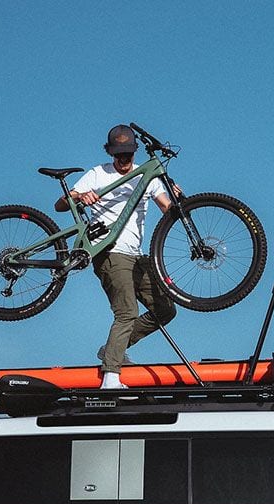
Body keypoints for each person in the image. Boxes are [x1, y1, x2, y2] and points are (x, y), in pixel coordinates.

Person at [56, 124, 181, 389]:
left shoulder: (146, 177)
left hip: (137, 256)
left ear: (134, 152)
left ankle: (111, 348)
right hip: (109, 252)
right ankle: (111, 376)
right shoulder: (98, 173)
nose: (123, 160)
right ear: (110, 153)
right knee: (126, 312)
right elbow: (61, 204)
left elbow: (166, 209)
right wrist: (80, 196)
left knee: (166, 310)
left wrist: (178, 203)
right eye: (118, 155)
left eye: (127, 155)